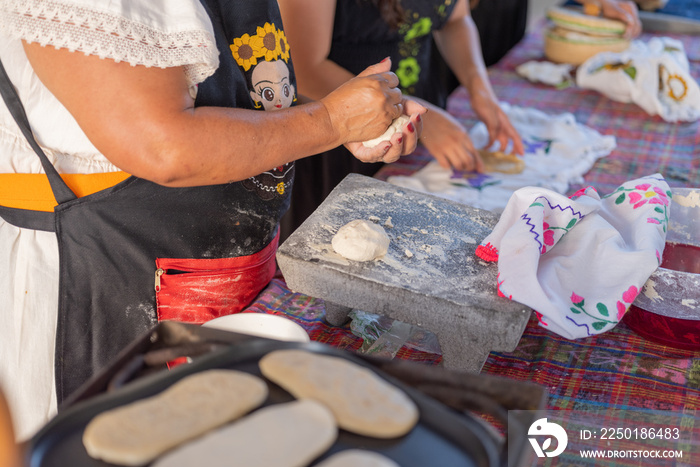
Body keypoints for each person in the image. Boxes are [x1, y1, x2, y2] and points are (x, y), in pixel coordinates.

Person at [0, 0, 425, 441]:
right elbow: (164, 146)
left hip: (224, 275)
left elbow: (209, 93)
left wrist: (341, 118)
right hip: (109, 282)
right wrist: (331, 121)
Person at [277, 0, 642, 239]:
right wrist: (412, 111)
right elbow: (304, 68)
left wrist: (479, 88)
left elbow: (455, 19)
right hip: (335, 141)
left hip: (416, 120)